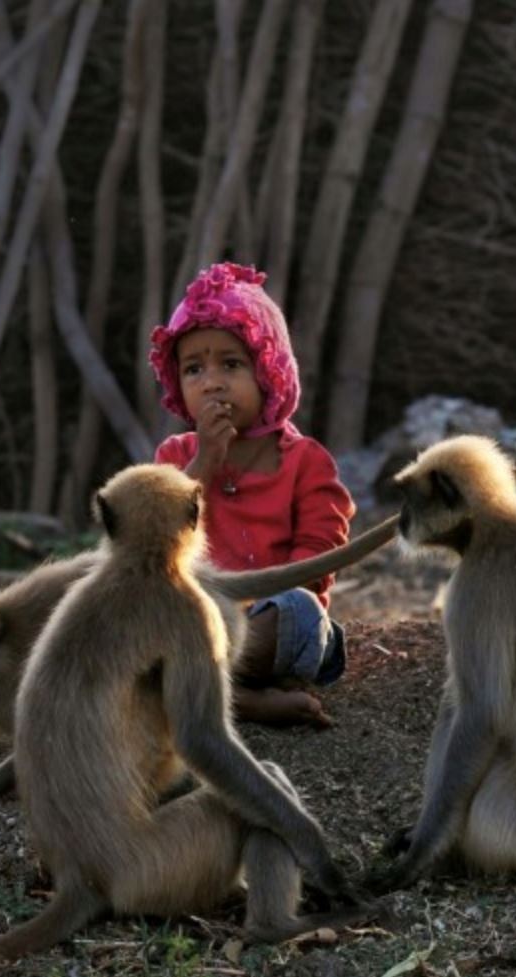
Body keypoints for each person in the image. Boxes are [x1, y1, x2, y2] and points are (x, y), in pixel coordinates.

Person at [149, 262, 355, 729]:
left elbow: (318, 562)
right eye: (194, 368)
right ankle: (235, 698)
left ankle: (204, 691)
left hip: (271, 624)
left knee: (300, 609)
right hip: (193, 624)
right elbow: (155, 542)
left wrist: (251, 615)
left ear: (269, 371)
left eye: (232, 364)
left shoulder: (306, 462)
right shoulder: (176, 455)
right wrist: (203, 464)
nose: (213, 382)